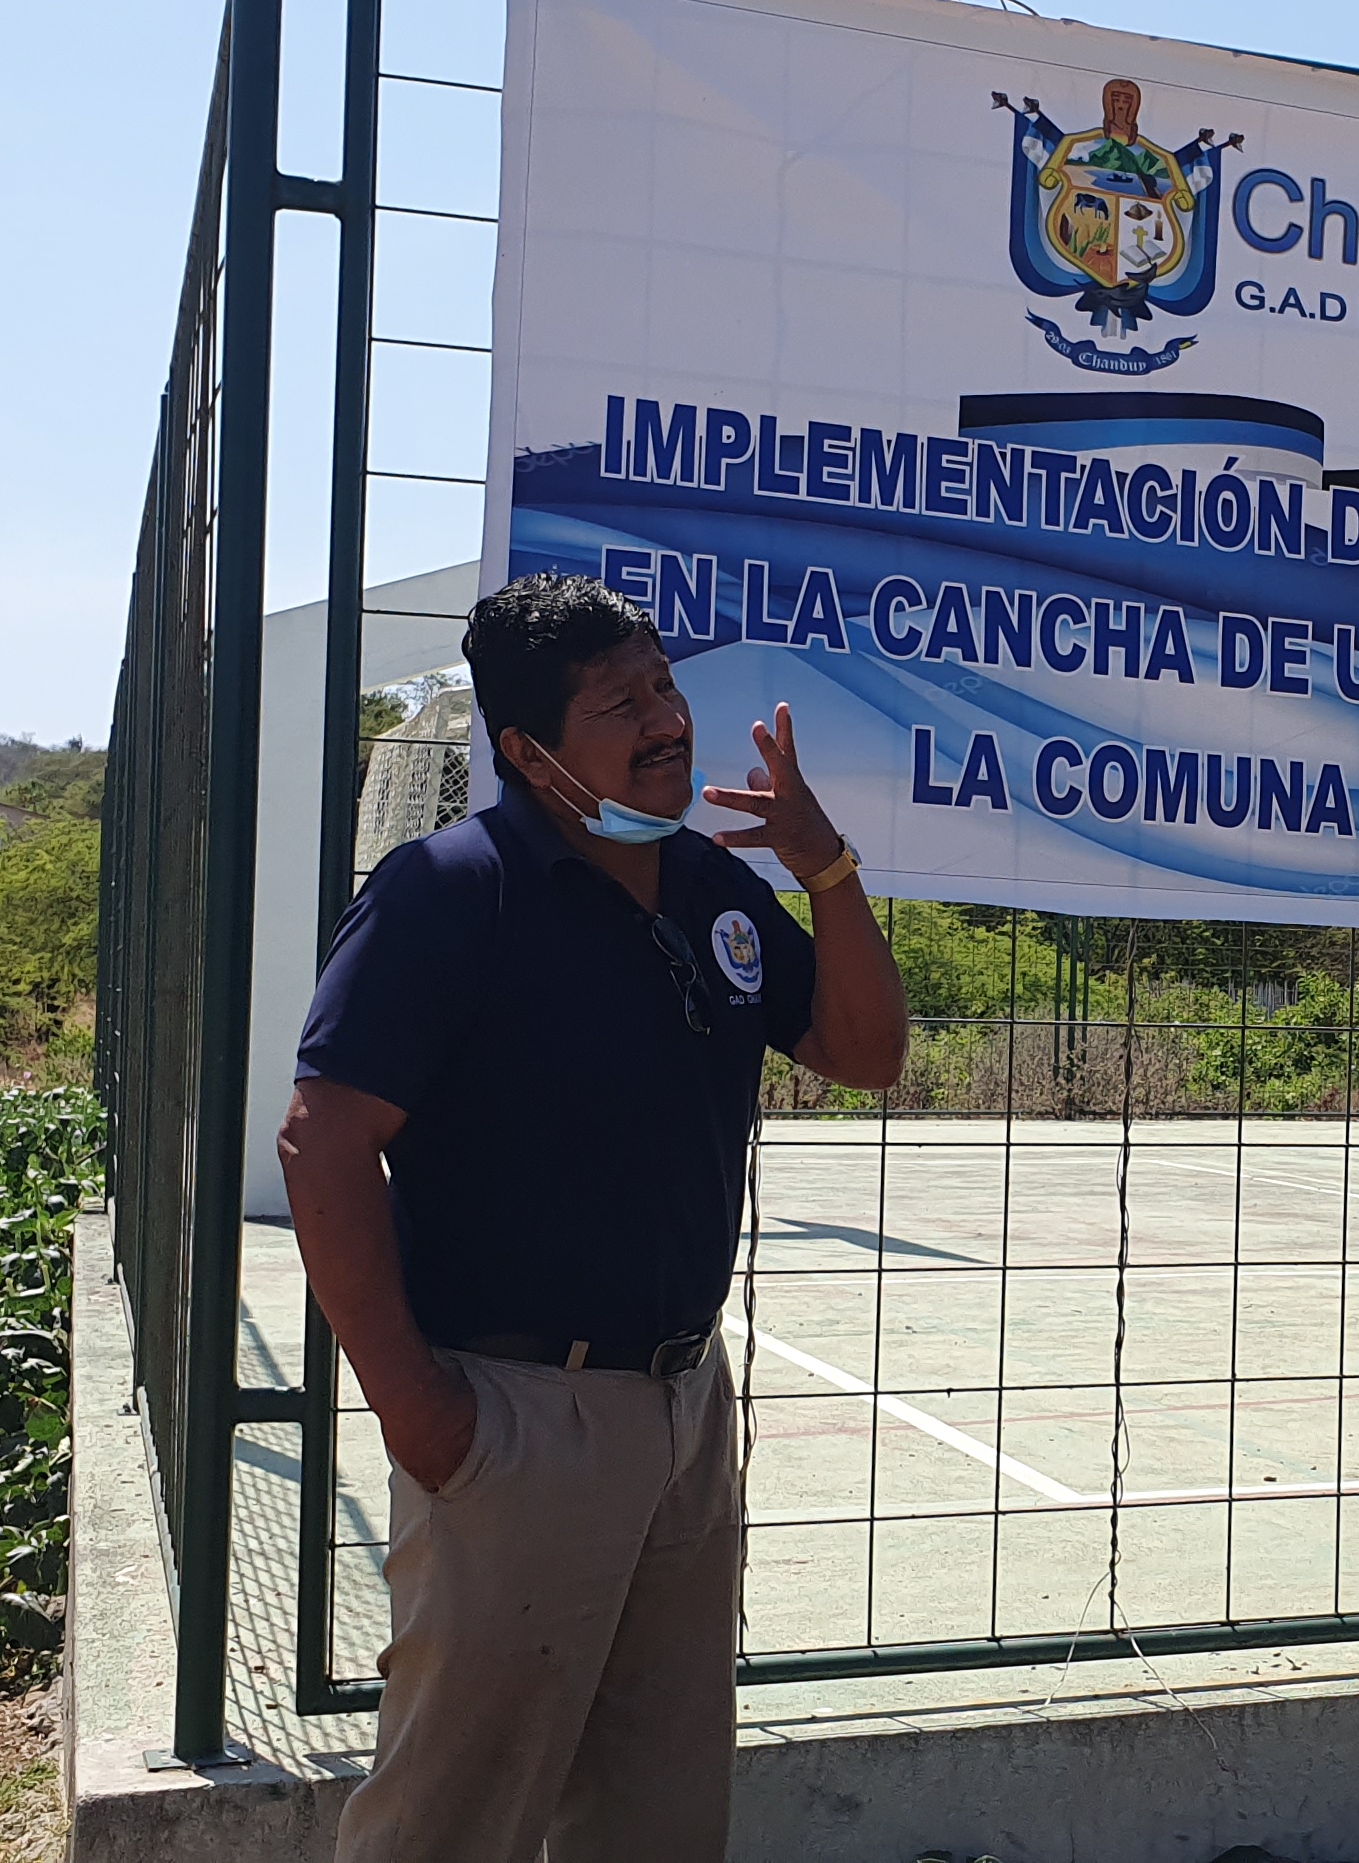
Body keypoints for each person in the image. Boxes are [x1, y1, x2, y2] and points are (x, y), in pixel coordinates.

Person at [280, 574, 908, 1861]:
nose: (667, 720)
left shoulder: (709, 887)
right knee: (453, 1823)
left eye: (665, 684)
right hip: (516, 1418)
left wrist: (826, 869)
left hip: (684, 1408)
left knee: (657, 1810)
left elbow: (865, 1052)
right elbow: (322, 1143)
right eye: (621, 705)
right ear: (528, 751)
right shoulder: (451, 892)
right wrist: (418, 1410)